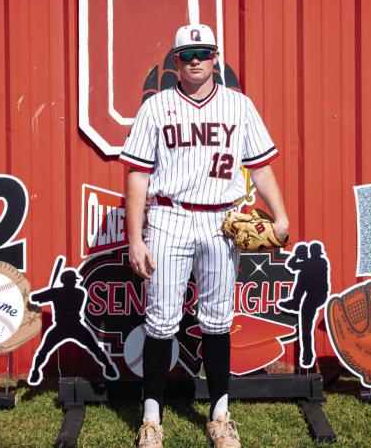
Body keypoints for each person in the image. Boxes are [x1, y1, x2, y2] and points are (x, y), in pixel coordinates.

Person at [119, 24, 289, 448]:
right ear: (175, 62)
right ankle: (152, 419)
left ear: (216, 58)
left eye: (203, 52)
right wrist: (135, 238)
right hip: (169, 219)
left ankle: (220, 416)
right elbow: (138, 175)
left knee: (217, 322)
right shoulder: (156, 108)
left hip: (222, 221)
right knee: (160, 322)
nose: (195, 60)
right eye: (186, 53)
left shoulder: (239, 106)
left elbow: (261, 167)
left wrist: (281, 216)